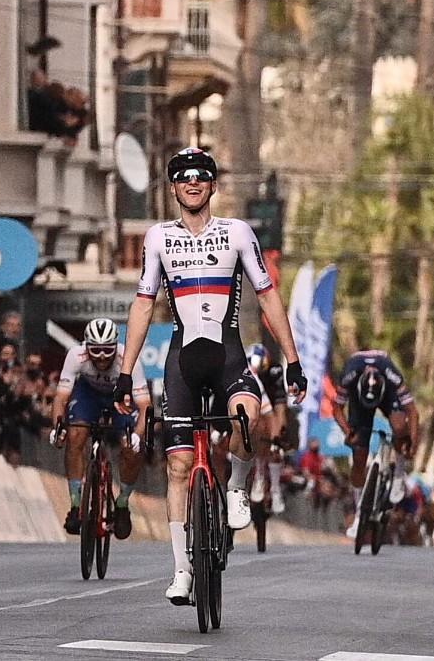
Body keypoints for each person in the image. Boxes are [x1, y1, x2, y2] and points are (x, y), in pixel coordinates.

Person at [111, 147, 306, 605]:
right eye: (183, 177)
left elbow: (267, 296)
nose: (193, 183)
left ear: (213, 185)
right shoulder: (158, 237)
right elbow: (143, 304)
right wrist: (125, 372)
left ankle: (236, 487)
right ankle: (181, 571)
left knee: (248, 418)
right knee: (178, 467)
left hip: (228, 355)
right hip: (182, 358)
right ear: (173, 187)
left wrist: (292, 360)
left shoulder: (236, 232)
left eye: (201, 177)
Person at [49, 318, 150, 540]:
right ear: (86, 347)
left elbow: (144, 407)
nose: (102, 356)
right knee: (76, 435)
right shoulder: (76, 355)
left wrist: (137, 436)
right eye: (96, 350)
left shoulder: (128, 359)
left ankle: (122, 503)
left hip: (120, 398)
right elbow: (61, 398)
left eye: (107, 350)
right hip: (89, 396)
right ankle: (76, 505)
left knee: (131, 448)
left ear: (115, 346)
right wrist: (58, 427)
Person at [333, 350, 419, 538]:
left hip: (389, 396)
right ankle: (358, 514)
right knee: (359, 457)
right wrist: (348, 432)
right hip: (359, 403)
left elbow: (412, 412)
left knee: (398, 427)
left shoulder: (392, 376)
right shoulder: (349, 376)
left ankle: (398, 473)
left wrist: (412, 443)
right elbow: (337, 408)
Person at [246, 343, 289, 514]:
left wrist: (277, 437)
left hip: (271, 400)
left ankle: (275, 487)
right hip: (251, 398)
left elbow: (279, 408)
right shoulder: (242, 370)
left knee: (277, 441)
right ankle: (257, 474)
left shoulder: (275, 371)